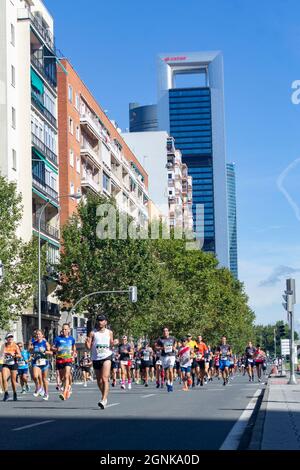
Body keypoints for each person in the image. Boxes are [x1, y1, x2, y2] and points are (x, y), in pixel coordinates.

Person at [86, 314, 113, 409]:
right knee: (99, 381)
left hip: (106, 356)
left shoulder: (109, 332)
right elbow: (88, 347)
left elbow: (111, 344)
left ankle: (104, 399)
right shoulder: (93, 333)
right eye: (99, 320)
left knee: (105, 378)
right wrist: (87, 343)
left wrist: (115, 343)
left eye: (102, 320)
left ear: (105, 322)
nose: (100, 322)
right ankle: (104, 396)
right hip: (96, 358)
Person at [52, 324, 76, 400]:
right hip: (60, 359)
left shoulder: (71, 339)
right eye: (63, 329)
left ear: (69, 330)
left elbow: (73, 347)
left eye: (66, 329)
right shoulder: (57, 339)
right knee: (62, 378)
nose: (64, 331)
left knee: (66, 376)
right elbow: (52, 347)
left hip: (68, 359)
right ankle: (68, 387)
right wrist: (56, 350)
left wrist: (74, 353)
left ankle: (64, 392)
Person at [30, 329, 52, 400]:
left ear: (42, 335)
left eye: (39, 334)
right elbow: (30, 350)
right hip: (36, 362)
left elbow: (51, 352)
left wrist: (44, 351)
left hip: (44, 362)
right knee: (35, 376)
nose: (38, 335)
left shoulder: (45, 343)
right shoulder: (34, 343)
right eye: (37, 334)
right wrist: (31, 349)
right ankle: (38, 388)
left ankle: (46, 393)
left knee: (44, 379)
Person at [155, 327, 177, 392]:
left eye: (166, 331)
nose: (165, 332)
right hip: (164, 356)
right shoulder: (160, 339)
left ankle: (171, 384)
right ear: (163, 332)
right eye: (164, 331)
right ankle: (168, 382)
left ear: (168, 332)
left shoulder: (172, 338)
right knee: (166, 372)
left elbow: (176, 343)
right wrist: (162, 348)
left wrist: (174, 347)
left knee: (170, 370)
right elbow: (156, 347)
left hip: (171, 356)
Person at [1, 333, 21, 401]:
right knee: (4, 378)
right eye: (9, 337)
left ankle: (15, 393)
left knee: (13, 381)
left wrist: (13, 355)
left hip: (13, 364)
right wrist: (3, 356)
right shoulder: (4, 345)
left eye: (11, 337)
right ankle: (6, 393)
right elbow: (1, 354)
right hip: (6, 364)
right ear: (6, 339)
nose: (10, 338)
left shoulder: (15, 346)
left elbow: (19, 355)